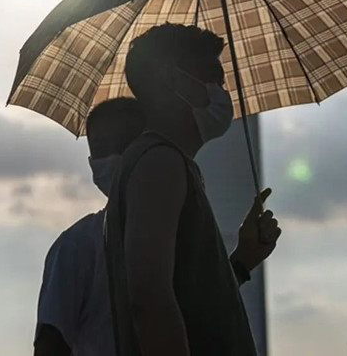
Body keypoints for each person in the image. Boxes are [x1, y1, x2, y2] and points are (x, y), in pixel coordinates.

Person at [34, 96, 281, 355]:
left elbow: (203, 308)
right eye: (100, 147)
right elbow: (51, 345)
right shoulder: (76, 246)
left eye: (123, 142)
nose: (113, 155)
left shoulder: (180, 232)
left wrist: (242, 260)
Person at [105, 23, 280, 356]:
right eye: (213, 78)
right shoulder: (159, 163)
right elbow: (148, 298)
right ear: (175, 81)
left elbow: (191, 300)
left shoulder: (169, 164)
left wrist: (242, 261)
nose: (221, 91)